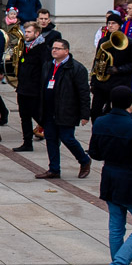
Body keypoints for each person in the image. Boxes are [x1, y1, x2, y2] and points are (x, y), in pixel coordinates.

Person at [88, 86, 132, 265]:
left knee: (116, 225)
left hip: (110, 177)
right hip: (131, 180)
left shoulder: (100, 121)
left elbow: (95, 153)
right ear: (130, 103)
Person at [36, 38, 92, 180]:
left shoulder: (76, 68)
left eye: (58, 48)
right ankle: (54, 169)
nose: (54, 50)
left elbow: (84, 93)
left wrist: (85, 114)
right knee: (51, 139)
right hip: (49, 110)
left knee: (67, 138)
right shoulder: (48, 65)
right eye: (53, 48)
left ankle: (84, 160)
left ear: (66, 51)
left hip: (67, 110)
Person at [91, 13, 132, 121]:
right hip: (102, 83)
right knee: (95, 111)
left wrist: (119, 69)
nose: (110, 26)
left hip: (119, 83)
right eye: (108, 23)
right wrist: (93, 81)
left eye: (113, 23)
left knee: (111, 112)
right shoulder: (103, 41)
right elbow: (97, 60)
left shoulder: (129, 42)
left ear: (119, 25)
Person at [15, 21, 51, 152]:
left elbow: (44, 70)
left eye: (29, 32)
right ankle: (27, 142)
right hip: (23, 87)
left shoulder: (42, 49)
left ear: (37, 33)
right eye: (26, 32)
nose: (26, 34)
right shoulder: (25, 47)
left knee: (38, 115)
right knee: (24, 116)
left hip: (34, 89)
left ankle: (52, 134)